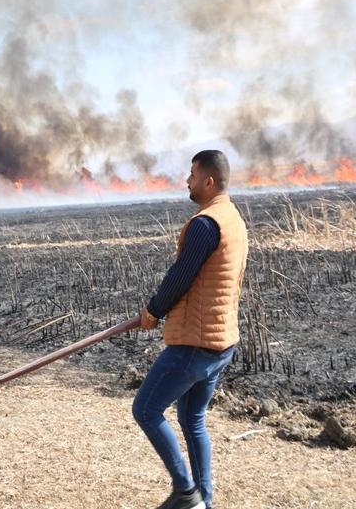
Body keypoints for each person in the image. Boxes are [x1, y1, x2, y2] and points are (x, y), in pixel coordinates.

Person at [132, 150, 248, 509]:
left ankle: (186, 493)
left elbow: (180, 276)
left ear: (208, 181)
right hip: (221, 341)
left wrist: (153, 311)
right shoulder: (232, 218)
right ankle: (204, 502)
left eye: (193, 174)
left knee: (146, 410)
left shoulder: (205, 224)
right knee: (191, 417)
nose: (187, 180)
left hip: (195, 343)